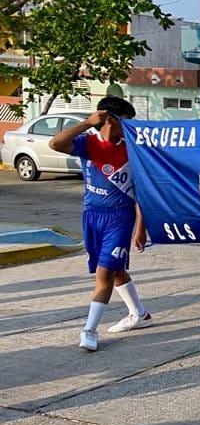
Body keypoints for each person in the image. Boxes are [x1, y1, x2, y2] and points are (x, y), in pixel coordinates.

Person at [48, 97, 150, 352]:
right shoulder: (88, 143)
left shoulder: (132, 150)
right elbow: (56, 143)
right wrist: (86, 123)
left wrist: (141, 226)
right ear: (110, 120)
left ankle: (89, 330)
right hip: (91, 215)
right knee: (113, 271)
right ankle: (139, 313)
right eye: (126, 122)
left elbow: (142, 191)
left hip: (120, 217)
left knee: (105, 273)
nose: (130, 128)